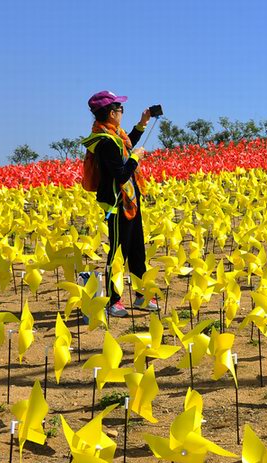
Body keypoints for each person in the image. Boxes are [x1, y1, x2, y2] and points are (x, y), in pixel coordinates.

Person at [82, 90, 158, 316]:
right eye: (120, 109)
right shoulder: (104, 141)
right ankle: (113, 300)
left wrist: (142, 124)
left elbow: (125, 145)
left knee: (137, 250)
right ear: (111, 113)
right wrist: (136, 157)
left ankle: (142, 294)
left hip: (130, 200)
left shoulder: (114, 136)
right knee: (117, 253)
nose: (122, 112)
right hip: (117, 202)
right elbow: (121, 173)